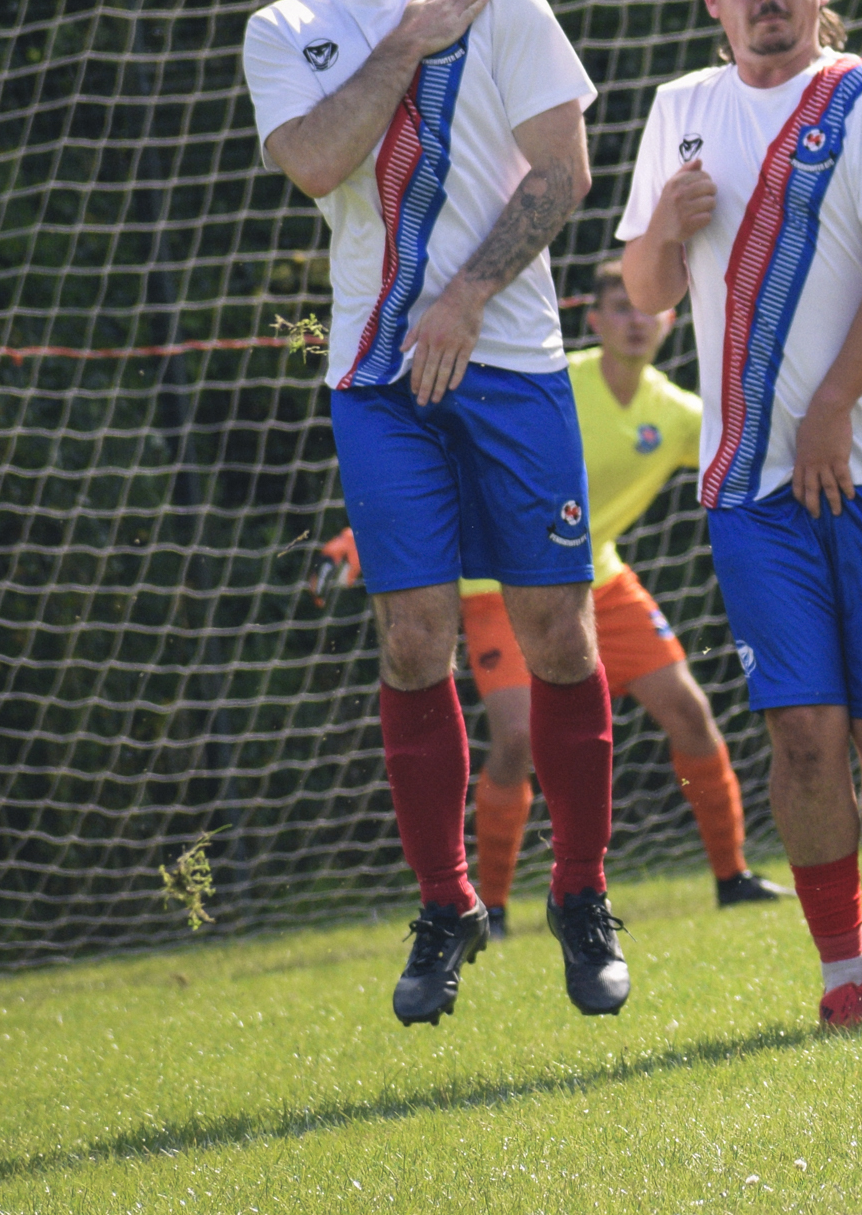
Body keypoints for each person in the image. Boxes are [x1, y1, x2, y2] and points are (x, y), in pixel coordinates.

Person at [243, 0, 626, 1025]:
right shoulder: (288, 30)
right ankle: (448, 902)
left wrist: (464, 294)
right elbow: (314, 160)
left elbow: (562, 172)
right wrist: (405, 43)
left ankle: (579, 893)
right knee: (414, 638)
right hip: (373, 377)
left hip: (510, 361)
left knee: (559, 634)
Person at [618, 0, 862, 1029]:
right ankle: (838, 978)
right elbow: (645, 294)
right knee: (803, 732)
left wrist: (832, 407)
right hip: (750, 488)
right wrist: (667, 219)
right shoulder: (679, 108)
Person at [319, 263, 790, 932]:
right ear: (591, 317)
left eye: (644, 307)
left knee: (690, 713)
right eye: (616, 306)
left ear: (668, 319)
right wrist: (360, 540)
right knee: (515, 739)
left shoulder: (676, 413)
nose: (633, 318)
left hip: (602, 582)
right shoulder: (553, 382)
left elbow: (745, 449)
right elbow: (452, 449)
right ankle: (496, 903)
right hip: (495, 588)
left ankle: (731, 872)